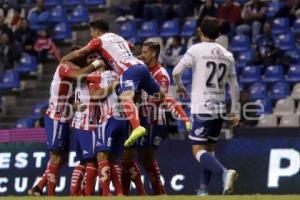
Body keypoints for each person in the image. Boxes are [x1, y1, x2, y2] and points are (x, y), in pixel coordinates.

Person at [61, 18, 190, 148]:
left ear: (97, 31)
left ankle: (137, 127)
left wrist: (64, 59)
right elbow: (132, 47)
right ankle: (186, 119)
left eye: (91, 32)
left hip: (129, 70)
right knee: (162, 96)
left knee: (125, 97)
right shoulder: (118, 37)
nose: (90, 34)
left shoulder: (98, 41)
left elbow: (81, 52)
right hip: (140, 66)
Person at [172, 17, 239, 196]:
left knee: (197, 150)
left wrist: (179, 86)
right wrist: (234, 111)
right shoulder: (227, 55)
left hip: (202, 106)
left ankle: (224, 173)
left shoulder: (195, 50)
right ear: (218, 34)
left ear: (200, 31)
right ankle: (203, 190)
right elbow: (234, 86)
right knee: (209, 150)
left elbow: (176, 71)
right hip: (220, 107)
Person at [27, 49, 105, 196]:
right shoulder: (65, 67)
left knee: (61, 159)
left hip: (64, 118)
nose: (85, 60)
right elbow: (79, 74)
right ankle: (49, 195)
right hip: (56, 118)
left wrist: (77, 106)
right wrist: (96, 63)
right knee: (56, 158)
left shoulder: (74, 77)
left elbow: (69, 100)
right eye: (83, 57)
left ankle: (38, 188)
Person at [122, 41, 169, 195]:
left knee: (146, 159)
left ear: (154, 53)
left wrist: (139, 96)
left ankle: (158, 192)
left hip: (155, 120)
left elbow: (161, 97)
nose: (142, 55)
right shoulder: (142, 70)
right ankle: (128, 193)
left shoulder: (160, 73)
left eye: (145, 52)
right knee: (130, 157)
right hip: (143, 118)